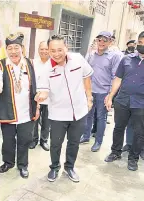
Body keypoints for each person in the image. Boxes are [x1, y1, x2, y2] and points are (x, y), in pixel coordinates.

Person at [36, 34, 93, 183]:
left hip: (79, 112)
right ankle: (54, 167)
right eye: (52, 51)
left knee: (74, 142)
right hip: (58, 114)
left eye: (59, 50)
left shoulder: (78, 59)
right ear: (48, 51)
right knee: (55, 144)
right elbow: (44, 90)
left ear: (66, 48)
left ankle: (69, 167)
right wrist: (41, 96)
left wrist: (89, 97)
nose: (56, 54)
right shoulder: (46, 69)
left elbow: (86, 76)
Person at [0, 33, 39, 179]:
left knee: (25, 139)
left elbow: (37, 87)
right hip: (8, 111)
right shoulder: (0, 65)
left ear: (22, 48)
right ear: (6, 50)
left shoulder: (30, 63)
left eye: (16, 47)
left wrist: (37, 107)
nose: (13, 51)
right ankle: (8, 162)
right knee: (8, 140)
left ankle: (23, 165)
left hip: (27, 111)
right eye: (10, 48)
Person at [104, 31, 144, 171]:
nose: (141, 46)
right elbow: (118, 79)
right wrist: (110, 96)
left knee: (139, 132)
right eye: (140, 43)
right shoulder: (126, 59)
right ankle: (115, 152)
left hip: (141, 104)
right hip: (123, 100)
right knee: (119, 127)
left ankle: (133, 158)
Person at [80, 31, 122, 152]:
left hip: (104, 92)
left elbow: (115, 77)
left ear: (110, 42)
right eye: (99, 40)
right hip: (90, 91)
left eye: (105, 40)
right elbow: (85, 72)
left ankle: (98, 141)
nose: (102, 42)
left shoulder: (114, 56)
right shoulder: (91, 55)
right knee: (88, 115)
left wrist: (110, 95)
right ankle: (86, 136)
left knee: (101, 117)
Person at [29, 41, 50, 151]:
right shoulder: (33, 62)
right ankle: (34, 140)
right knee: (34, 120)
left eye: (46, 49)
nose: (44, 51)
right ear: (38, 50)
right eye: (42, 49)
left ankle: (44, 140)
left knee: (47, 121)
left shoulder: (53, 63)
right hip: (35, 97)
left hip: (49, 97)